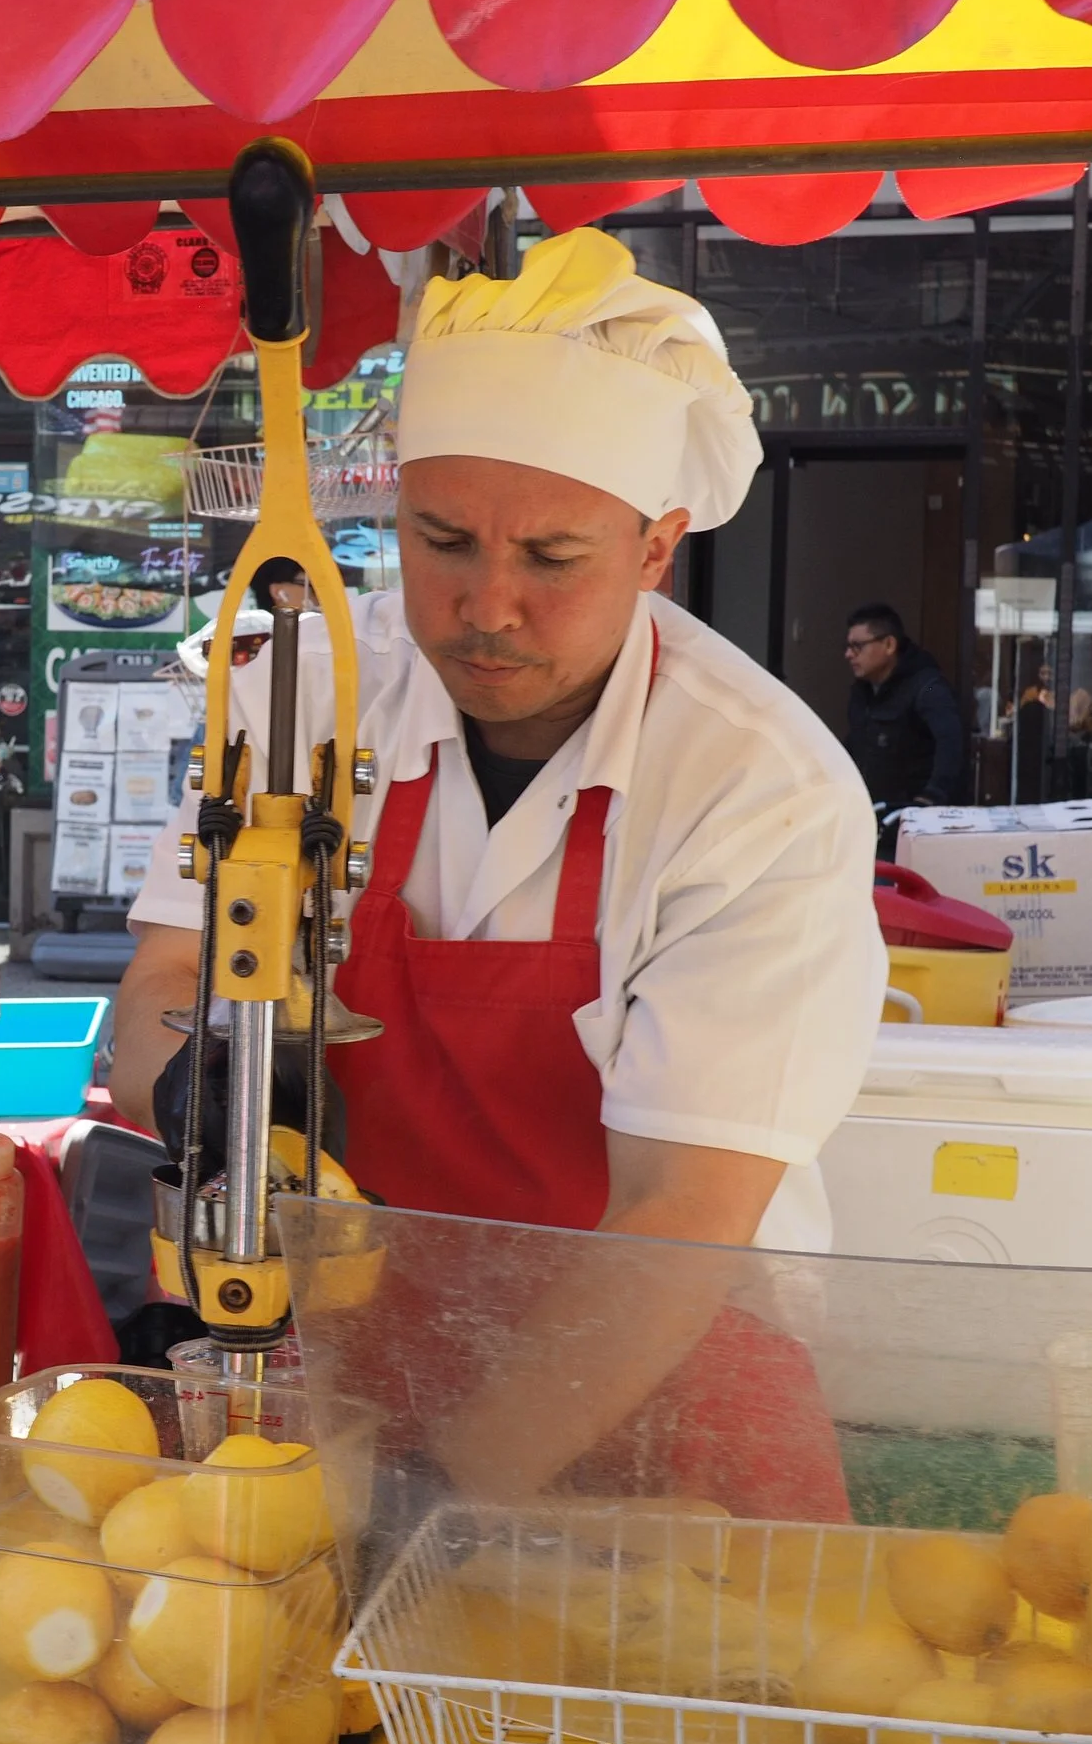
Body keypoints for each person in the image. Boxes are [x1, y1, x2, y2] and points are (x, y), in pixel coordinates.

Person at [109, 227, 886, 1515]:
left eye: (552, 559)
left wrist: (443, 1500)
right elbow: (165, 979)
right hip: (356, 1382)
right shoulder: (303, 697)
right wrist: (207, 1084)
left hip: (657, 1411)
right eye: (443, 538)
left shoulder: (757, 791)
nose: (486, 605)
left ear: (654, 547)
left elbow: (680, 1209)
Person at [842, 602, 965, 811]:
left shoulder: (928, 689)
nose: (849, 654)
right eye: (848, 647)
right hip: (870, 813)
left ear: (889, 645)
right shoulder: (861, 693)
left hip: (910, 819)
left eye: (858, 646)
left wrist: (930, 798)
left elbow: (952, 746)